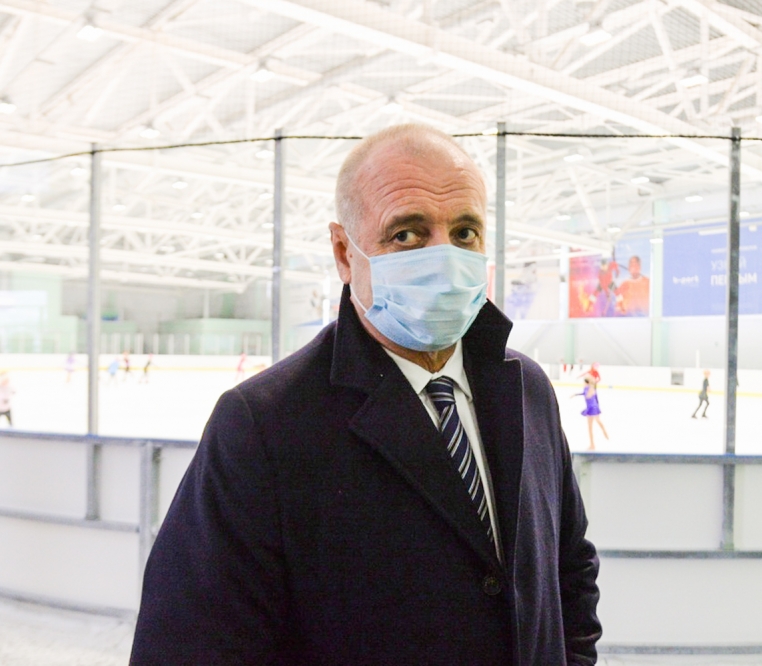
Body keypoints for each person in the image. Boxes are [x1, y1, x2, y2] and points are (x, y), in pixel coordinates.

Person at [131, 124, 601, 665]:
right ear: (343, 252)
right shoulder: (263, 426)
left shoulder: (527, 389)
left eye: (465, 232)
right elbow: (189, 644)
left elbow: (569, 568)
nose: (445, 258)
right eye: (407, 234)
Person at [575, 375, 608, 451]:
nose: (583, 384)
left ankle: (593, 443)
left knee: (592, 425)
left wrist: (591, 388)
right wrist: (575, 395)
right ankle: (593, 443)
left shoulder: (591, 389)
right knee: (593, 424)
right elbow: (585, 394)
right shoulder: (588, 388)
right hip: (591, 407)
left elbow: (589, 396)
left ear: (586, 383)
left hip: (592, 408)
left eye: (584, 382)